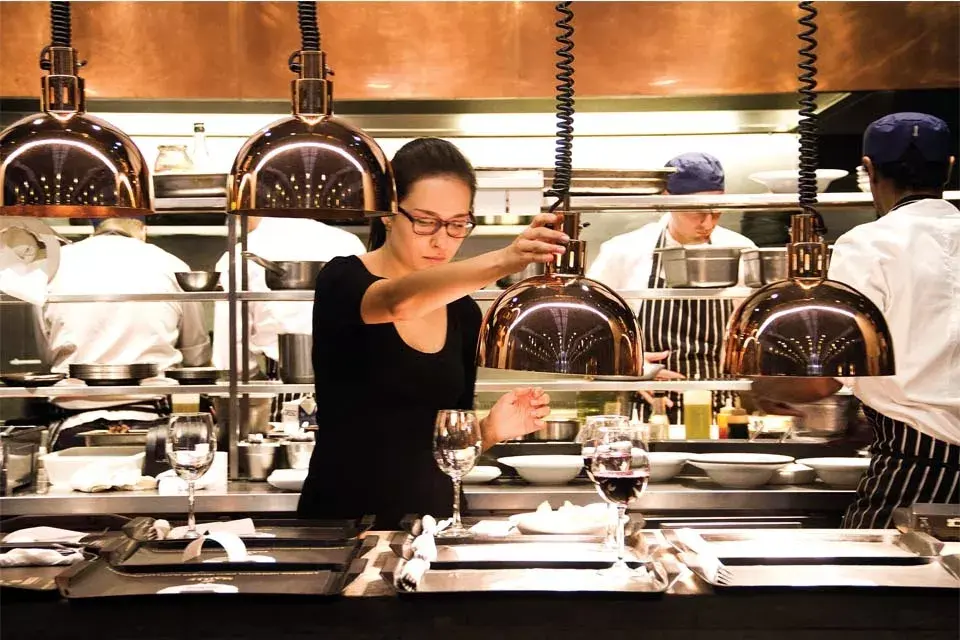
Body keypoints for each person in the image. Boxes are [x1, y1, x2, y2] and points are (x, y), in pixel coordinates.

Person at [297, 138, 564, 528]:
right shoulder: (343, 280)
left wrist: (490, 429)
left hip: (437, 524)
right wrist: (506, 259)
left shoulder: (463, 311)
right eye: (425, 221)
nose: (442, 240)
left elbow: (445, 445)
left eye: (458, 224)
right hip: (343, 525)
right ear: (388, 213)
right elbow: (396, 303)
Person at [753, 112, 959, 529]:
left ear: (868, 170)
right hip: (919, 452)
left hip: (924, 465)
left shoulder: (870, 245)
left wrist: (765, 388)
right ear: (949, 167)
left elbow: (821, 378)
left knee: (882, 585)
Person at [587, 152, 756, 420]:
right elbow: (588, 332)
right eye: (697, 213)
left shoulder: (742, 251)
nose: (708, 223)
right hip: (650, 413)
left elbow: (753, 337)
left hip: (722, 411)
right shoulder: (624, 252)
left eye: (716, 211)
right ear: (668, 200)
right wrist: (629, 365)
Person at [37, 217, 211, 449]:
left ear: (93, 224)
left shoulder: (51, 267)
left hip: (72, 425)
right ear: (143, 228)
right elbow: (196, 356)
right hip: (155, 423)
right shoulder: (171, 265)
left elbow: (44, 353)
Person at [212, 216, 365, 419]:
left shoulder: (240, 254)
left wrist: (258, 386)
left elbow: (231, 357)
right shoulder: (349, 242)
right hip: (348, 386)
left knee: (289, 448)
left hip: (283, 390)